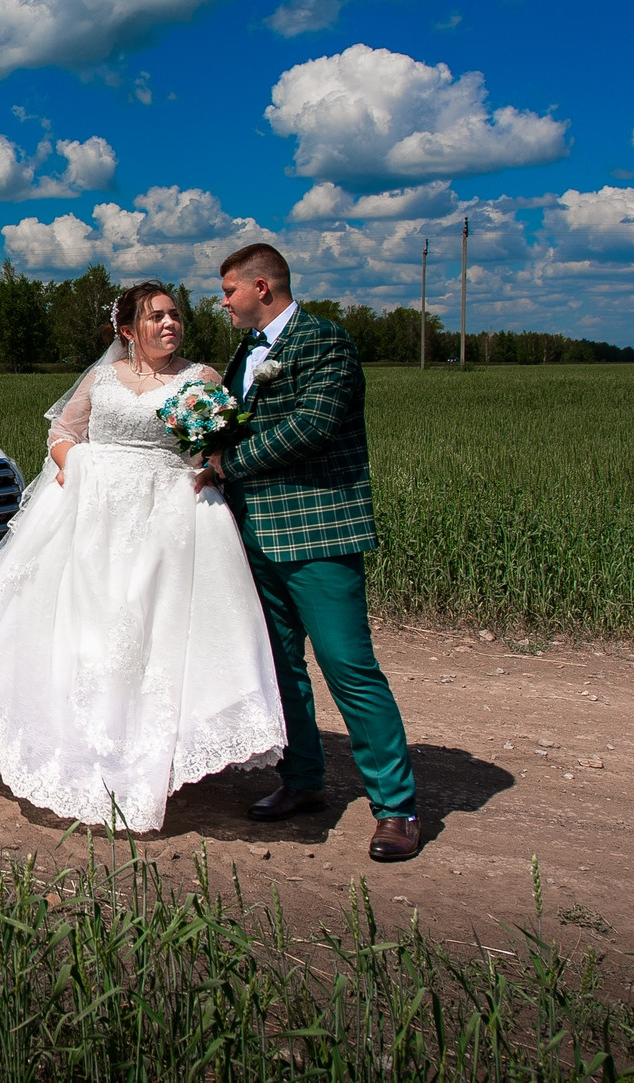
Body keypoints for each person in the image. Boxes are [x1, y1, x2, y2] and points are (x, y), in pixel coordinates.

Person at [0, 281, 286, 833]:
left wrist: (211, 464)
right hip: (93, 510)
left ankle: (144, 752)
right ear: (128, 330)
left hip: (170, 512)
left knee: (154, 632)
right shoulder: (102, 378)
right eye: (156, 317)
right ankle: (76, 743)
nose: (169, 324)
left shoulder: (204, 380)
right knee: (85, 629)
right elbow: (63, 431)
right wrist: (72, 463)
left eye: (174, 315)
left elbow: (217, 445)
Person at [200, 243, 421, 862]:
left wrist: (226, 463)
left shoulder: (325, 341)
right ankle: (301, 781)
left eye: (229, 292)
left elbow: (312, 426)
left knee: (348, 667)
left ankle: (396, 807)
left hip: (317, 531)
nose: (223, 304)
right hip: (255, 533)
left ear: (262, 287)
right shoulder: (245, 351)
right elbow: (235, 417)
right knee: (281, 669)